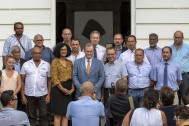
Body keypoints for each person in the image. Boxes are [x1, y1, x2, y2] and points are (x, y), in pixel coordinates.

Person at [20, 47, 51, 126]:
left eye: (39, 53)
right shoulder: (26, 65)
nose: (38, 55)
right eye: (36, 53)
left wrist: (48, 95)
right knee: (31, 117)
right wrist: (22, 96)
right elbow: (22, 81)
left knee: (44, 116)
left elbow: (49, 81)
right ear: (32, 54)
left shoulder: (46, 65)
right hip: (29, 95)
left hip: (43, 94)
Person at [51, 43, 74, 126]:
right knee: (57, 114)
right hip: (58, 90)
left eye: (65, 49)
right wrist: (62, 89)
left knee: (65, 114)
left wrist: (72, 88)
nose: (64, 51)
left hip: (68, 90)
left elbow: (73, 77)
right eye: (62, 50)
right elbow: (54, 78)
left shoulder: (70, 62)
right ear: (58, 51)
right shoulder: (54, 62)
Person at [170, 30, 189, 105]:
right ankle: (176, 115)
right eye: (175, 37)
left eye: (178, 37)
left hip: (185, 76)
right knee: (174, 97)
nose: (176, 39)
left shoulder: (187, 47)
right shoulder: (170, 48)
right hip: (173, 76)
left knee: (185, 96)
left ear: (182, 38)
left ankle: (186, 115)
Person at [11, 45, 26, 111]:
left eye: (19, 52)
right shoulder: (9, 62)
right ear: (12, 53)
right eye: (16, 52)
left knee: (23, 103)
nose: (17, 54)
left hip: (23, 85)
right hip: (14, 85)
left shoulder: (25, 61)